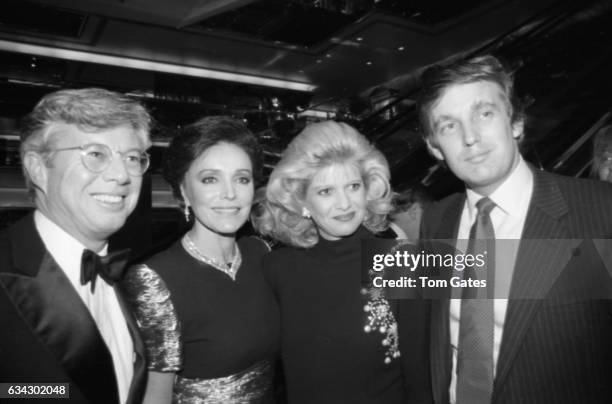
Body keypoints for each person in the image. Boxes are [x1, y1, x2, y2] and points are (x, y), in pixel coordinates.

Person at [407, 54, 612, 403]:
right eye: (449, 126)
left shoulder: (600, 210)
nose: (470, 137)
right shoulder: (437, 220)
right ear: (434, 147)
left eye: (484, 113)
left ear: (515, 122)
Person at [0, 88, 152, 403]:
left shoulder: (129, 274)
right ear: (38, 167)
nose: (122, 175)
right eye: (96, 154)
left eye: (133, 158)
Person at [253, 120, 413, 404]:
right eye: (326, 191)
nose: (344, 203)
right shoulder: (277, 269)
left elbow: (422, 374)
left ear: (367, 190)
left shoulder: (401, 261)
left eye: (353, 186)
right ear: (301, 202)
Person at [122, 116, 279, 403]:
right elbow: (155, 396)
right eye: (210, 179)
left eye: (241, 179)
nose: (230, 193)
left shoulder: (260, 254)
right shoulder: (155, 280)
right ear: (184, 191)